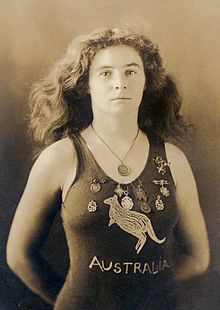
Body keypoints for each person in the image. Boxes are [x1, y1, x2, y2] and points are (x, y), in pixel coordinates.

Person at [6, 27, 210, 310]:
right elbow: (18, 255)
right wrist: (70, 301)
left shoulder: (173, 160)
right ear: (86, 84)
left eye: (131, 72)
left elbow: (199, 258)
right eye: (105, 73)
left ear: (146, 82)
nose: (120, 83)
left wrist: (146, 290)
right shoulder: (61, 158)